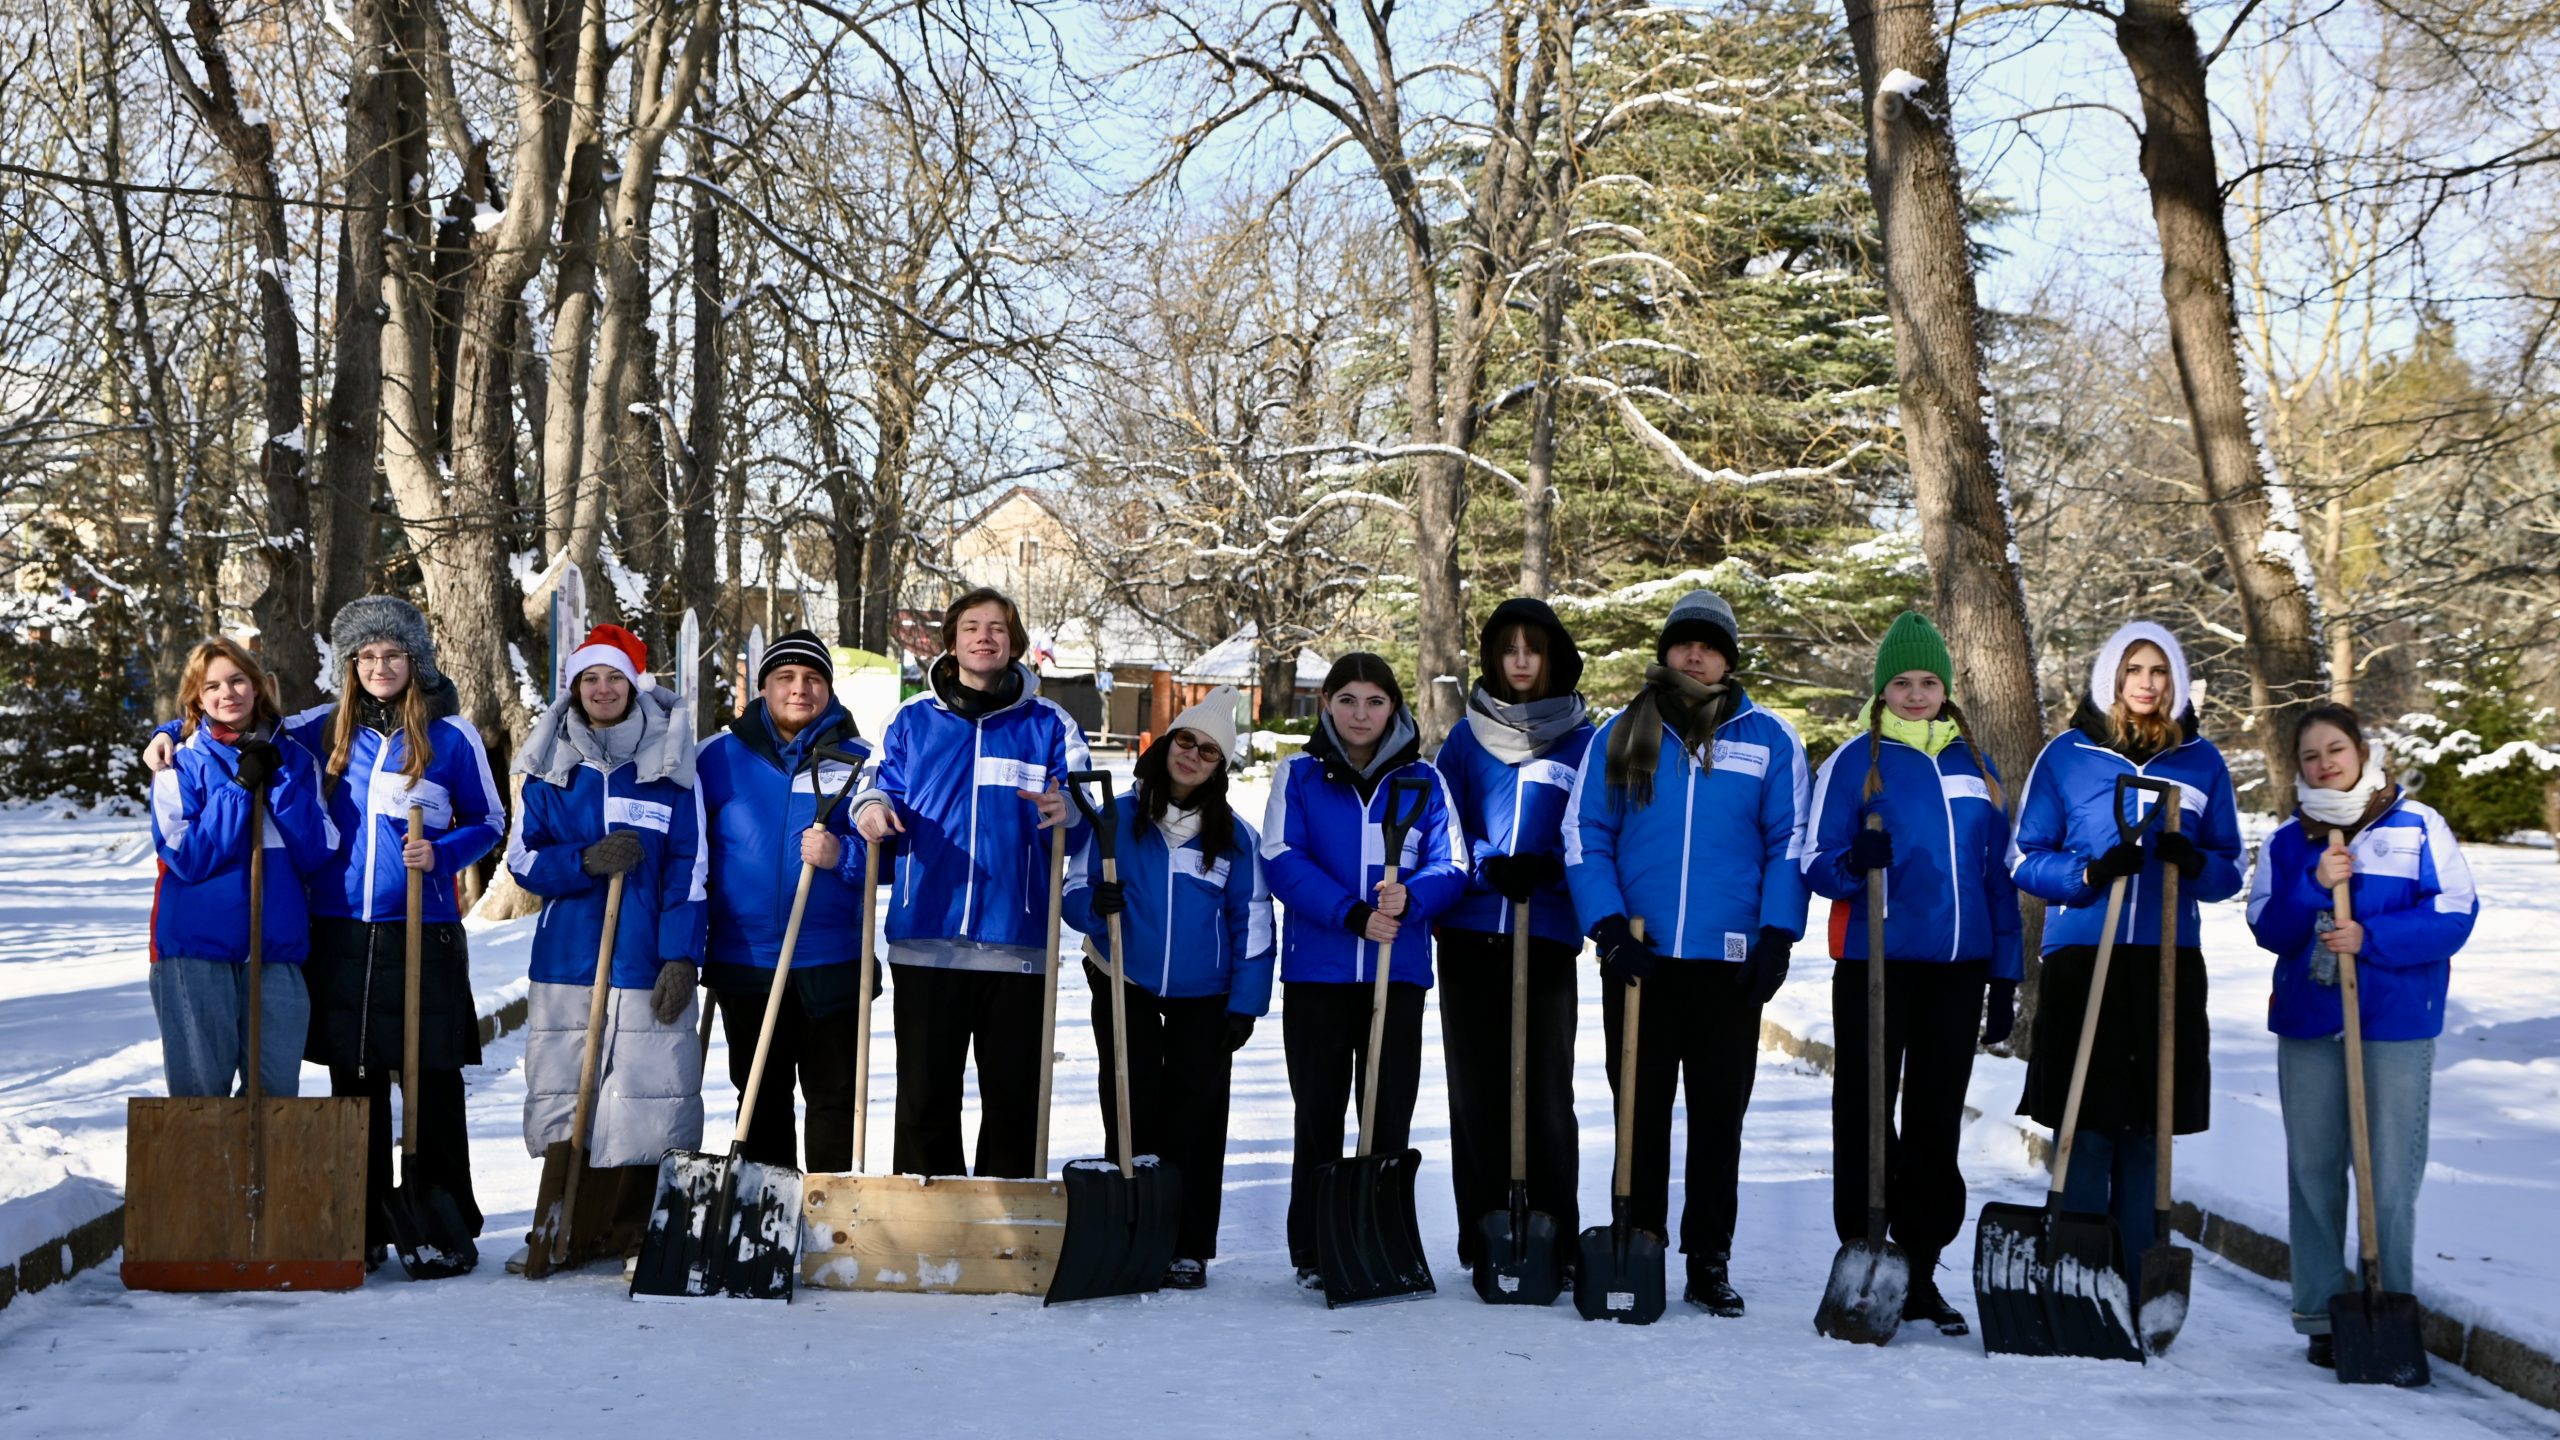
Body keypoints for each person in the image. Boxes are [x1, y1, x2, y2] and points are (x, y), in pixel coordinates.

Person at [1563, 587, 1811, 1316]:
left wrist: (1777, 935)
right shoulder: (1621, 733)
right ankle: (1638, 1241)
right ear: (1666, 652)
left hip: (1729, 963)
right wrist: (1607, 927)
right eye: (1683, 643)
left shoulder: (1769, 739)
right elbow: (1586, 833)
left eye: (1709, 646)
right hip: (1639, 958)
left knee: (1717, 1118)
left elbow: (1789, 842)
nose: (1695, 656)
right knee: (1639, 1110)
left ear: (1728, 660)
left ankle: (1709, 1258)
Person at [1799, 611, 2021, 1336]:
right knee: (1866, 1111)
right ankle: (1864, 1247)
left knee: (1935, 1118)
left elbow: (1998, 880)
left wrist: (2004, 975)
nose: (1917, 694)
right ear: (1882, 689)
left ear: (1947, 688)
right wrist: (1851, 863)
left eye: (1929, 681)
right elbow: (1814, 860)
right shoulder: (1855, 762)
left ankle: (1920, 1268)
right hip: (1876, 965)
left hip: (1958, 970)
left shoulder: (1976, 767)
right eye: (1902, 683)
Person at [2008, 620, 2242, 1278]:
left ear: (2177, 682)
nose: (2146, 682)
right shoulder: (2068, 755)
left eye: (2159, 671)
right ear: (2111, 677)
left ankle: (2139, 1272)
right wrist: (2085, 873)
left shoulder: (2201, 761)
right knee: (2086, 1124)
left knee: (2147, 1128)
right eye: (2134, 669)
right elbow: (2024, 857)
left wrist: (2195, 863)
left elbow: (2230, 868)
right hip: (2086, 957)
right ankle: (2077, 1271)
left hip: (2166, 960)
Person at [2247, 703, 2475, 1368]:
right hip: (2311, 1021)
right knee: (2314, 1170)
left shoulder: (2416, 825)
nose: (2325, 764)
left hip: (2394, 1022)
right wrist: (2314, 885)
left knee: (2391, 1175)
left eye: (2335, 749)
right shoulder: (2290, 840)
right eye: (2310, 755)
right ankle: (2323, 1311)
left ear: (2361, 752)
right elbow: (2266, 926)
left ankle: (2388, 1299)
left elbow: (2455, 913)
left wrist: (2370, 937)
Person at [852, 589, 1089, 1180]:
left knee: (1013, 1104)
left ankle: (1003, 1219)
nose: (985, 636)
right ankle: (928, 1218)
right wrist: (873, 808)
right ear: (952, 643)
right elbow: (875, 786)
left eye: (998, 628)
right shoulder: (911, 720)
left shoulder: (1049, 725)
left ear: (1014, 643)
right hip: (926, 935)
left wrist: (1069, 809)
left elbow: (1087, 806)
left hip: (1018, 942)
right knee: (925, 1102)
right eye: (972, 627)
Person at [1261, 653, 1468, 1289]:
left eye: (1374, 701)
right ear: (1326, 704)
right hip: (1318, 976)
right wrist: (1351, 914)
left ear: (1393, 708)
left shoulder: (1423, 782)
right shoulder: (1299, 775)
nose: (1360, 714)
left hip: (1395, 975)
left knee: (1385, 1112)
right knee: (1318, 1112)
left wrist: (1411, 899)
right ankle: (1314, 1247)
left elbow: (1453, 863)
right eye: (1347, 700)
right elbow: (1281, 856)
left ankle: (1375, 1240)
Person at [1061, 686, 1275, 1289]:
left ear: (1220, 768)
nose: (1192, 755)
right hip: (1123, 977)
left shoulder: (1235, 839)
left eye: (1209, 751)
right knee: (1129, 1102)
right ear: (1166, 744)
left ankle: (1188, 1243)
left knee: (1196, 1114)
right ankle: (1132, 1228)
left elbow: (1254, 923)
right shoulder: (1116, 818)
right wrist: (1093, 907)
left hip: (1204, 994)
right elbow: (1073, 889)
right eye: (1186, 740)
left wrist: (1245, 1004)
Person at [505, 624, 707, 1260]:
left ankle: (635, 1231)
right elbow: (522, 860)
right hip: (569, 958)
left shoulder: (670, 766)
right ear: (574, 688)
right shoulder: (549, 768)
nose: (602, 688)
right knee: (568, 1092)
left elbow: (689, 867)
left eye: (614, 676)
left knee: (650, 1094)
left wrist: (681, 956)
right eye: (590, 678)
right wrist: (583, 861)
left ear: (633, 685)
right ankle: (563, 1224)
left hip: (644, 958)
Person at [1429, 598, 1592, 1274]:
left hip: (1546, 932)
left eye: (1533, 648)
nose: (1520, 661)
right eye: (1508, 649)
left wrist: (1548, 866)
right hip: (1470, 932)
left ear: (1553, 657)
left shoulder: (1583, 741)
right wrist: (1488, 861)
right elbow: (1444, 821)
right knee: (1476, 1090)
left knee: (1546, 1090)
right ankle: (1483, 1234)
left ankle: (1553, 1232)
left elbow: (1592, 826)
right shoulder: (1465, 740)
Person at [694, 629, 870, 1173]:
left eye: (813, 678)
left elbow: (892, 857)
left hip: (831, 962)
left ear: (829, 689)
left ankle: (827, 1210)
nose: (800, 689)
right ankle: (768, 1211)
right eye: (786, 677)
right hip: (746, 961)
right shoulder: (717, 757)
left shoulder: (860, 760)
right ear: (763, 687)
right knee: (760, 1101)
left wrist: (843, 854)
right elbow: (689, 855)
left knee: (834, 1099)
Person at [146, 637, 335, 1099]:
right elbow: (189, 857)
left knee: (274, 1099)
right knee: (200, 1099)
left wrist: (278, 783)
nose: (226, 693)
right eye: (211, 686)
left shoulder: (296, 758)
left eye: (237, 680)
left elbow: (319, 851)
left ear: (257, 685)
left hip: (276, 948)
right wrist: (239, 786)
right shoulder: (178, 762)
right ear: (197, 698)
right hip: (197, 950)